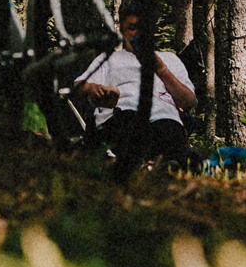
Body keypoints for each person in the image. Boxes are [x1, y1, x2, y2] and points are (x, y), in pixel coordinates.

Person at [75, 10, 194, 163]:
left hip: (165, 121)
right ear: (122, 30)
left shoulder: (169, 59)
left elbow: (189, 102)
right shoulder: (109, 59)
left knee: (169, 130)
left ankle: (169, 165)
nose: (139, 33)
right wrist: (93, 88)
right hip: (123, 117)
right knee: (131, 122)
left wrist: (160, 68)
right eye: (132, 28)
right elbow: (77, 89)